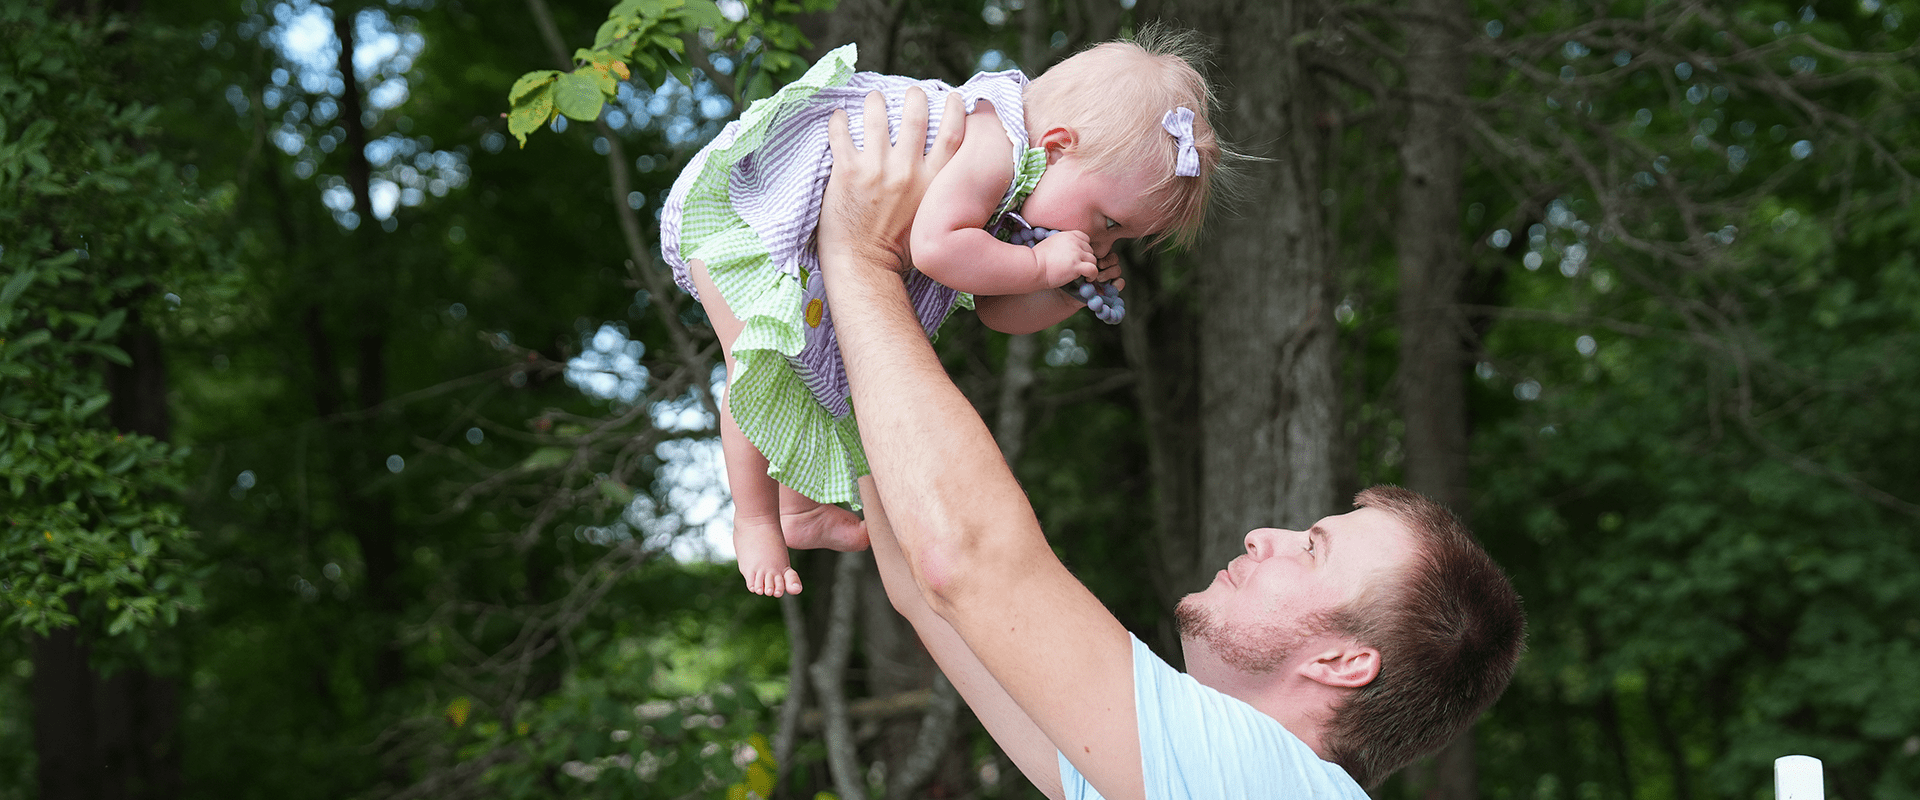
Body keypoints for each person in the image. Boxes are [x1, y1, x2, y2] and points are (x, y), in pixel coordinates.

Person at [812, 87, 1527, 798]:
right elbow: (921, 580)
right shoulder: (1180, 777)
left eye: (1313, 547)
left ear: (1344, 661)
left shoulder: (1262, 781)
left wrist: (863, 256)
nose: (1261, 535)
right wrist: (862, 320)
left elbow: (961, 560)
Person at [659, 29, 1226, 596]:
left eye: (1122, 235)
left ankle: (797, 510)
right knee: (755, 361)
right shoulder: (995, 142)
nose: (1105, 243)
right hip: (750, 216)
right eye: (1109, 220)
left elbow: (994, 312)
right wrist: (1038, 267)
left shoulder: (1028, 186)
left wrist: (1057, 295)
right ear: (1055, 145)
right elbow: (934, 248)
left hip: (814, 242)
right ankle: (755, 521)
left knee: (803, 368)